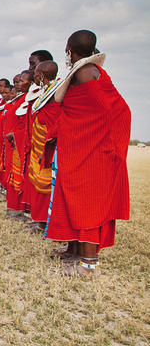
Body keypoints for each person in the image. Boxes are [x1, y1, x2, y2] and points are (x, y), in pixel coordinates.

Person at [46, 30, 131, 276]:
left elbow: (107, 112)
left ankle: (88, 264)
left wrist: (102, 141)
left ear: (69, 51)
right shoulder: (87, 73)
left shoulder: (86, 74)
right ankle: (73, 249)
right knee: (71, 196)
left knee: (87, 202)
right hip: (79, 146)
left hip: (93, 150)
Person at [27, 61, 60, 232]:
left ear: (42, 75)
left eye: (37, 73)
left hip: (47, 144)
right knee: (37, 182)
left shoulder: (56, 92)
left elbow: (55, 120)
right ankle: (38, 218)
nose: (35, 75)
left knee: (45, 184)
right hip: (38, 143)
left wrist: (47, 145)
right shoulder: (44, 92)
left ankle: (44, 221)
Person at [3, 72, 31, 217]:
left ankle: (22, 207)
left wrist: (16, 135)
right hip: (14, 143)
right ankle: (15, 205)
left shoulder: (28, 98)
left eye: (20, 81)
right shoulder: (20, 98)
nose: (17, 84)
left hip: (22, 142)